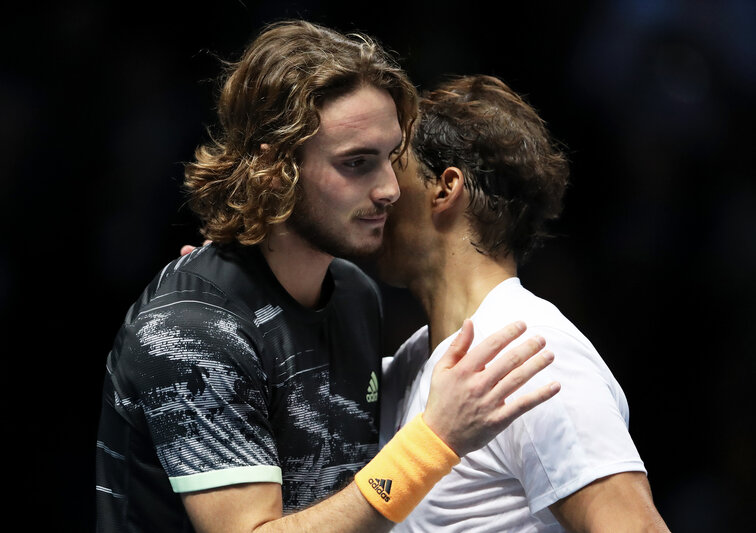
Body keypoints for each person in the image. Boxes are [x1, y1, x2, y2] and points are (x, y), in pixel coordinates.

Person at [95, 21, 560, 533]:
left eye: (392, 159)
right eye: (356, 163)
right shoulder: (190, 330)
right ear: (275, 168)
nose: (389, 190)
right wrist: (435, 440)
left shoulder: (356, 295)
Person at [378, 74, 670, 532]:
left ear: (444, 188)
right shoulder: (408, 363)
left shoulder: (533, 356)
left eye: (393, 169)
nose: (380, 194)